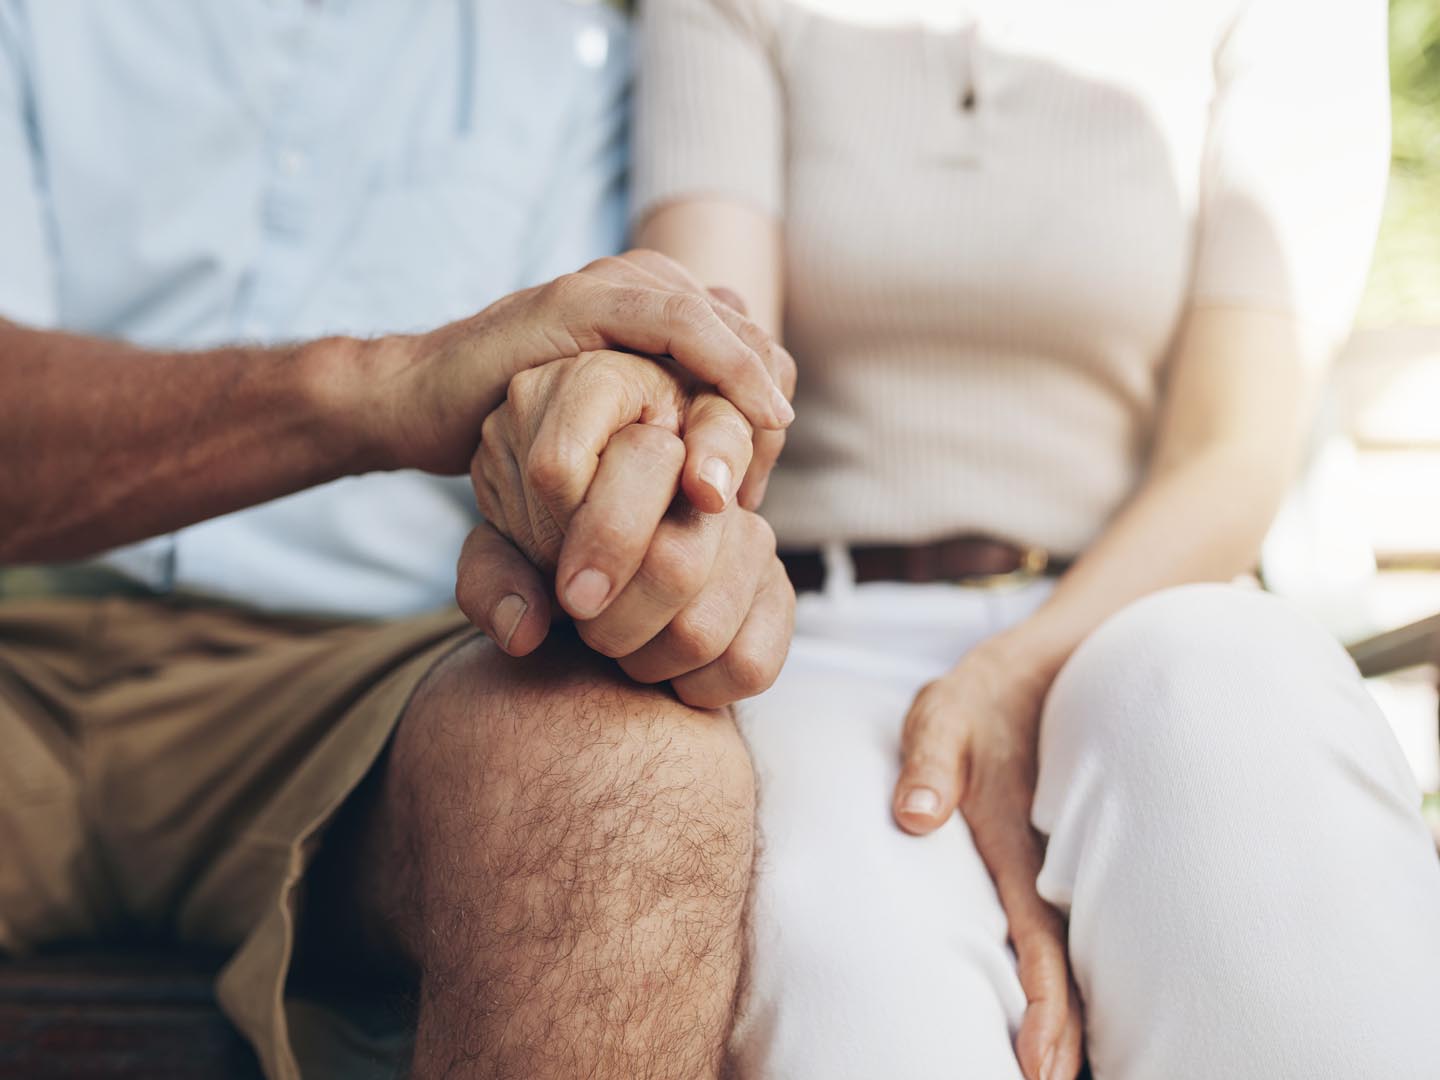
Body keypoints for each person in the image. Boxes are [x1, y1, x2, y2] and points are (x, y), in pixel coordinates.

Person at [629, 0, 1440, 1077]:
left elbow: (1234, 450)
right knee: (849, 972)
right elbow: (713, 361)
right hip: (814, 641)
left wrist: (1012, 671)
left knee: (1235, 706)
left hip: (1142, 607)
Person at [0, 4, 796, 1079]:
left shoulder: (591, 51)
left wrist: (625, 470)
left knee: (629, 780)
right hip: (22, 635)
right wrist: (380, 389)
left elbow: (600, 383)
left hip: (370, 680)